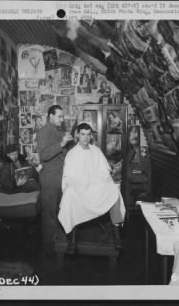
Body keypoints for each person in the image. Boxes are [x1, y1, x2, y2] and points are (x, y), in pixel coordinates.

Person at [58, 123, 126, 253]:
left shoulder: (96, 151)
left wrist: (97, 180)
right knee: (70, 194)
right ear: (77, 135)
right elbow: (69, 177)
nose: (85, 138)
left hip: (95, 187)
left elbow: (104, 171)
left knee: (113, 191)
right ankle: (72, 239)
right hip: (79, 189)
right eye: (82, 134)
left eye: (88, 134)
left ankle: (117, 235)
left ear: (91, 136)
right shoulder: (72, 154)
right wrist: (82, 183)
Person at [36, 105, 73, 255]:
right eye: (60, 116)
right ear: (50, 116)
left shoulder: (59, 131)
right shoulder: (44, 131)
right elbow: (44, 155)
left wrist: (71, 141)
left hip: (61, 178)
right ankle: (49, 251)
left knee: (60, 212)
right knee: (49, 215)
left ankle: (59, 248)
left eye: (62, 116)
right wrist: (62, 143)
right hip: (50, 179)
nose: (62, 119)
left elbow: (63, 154)